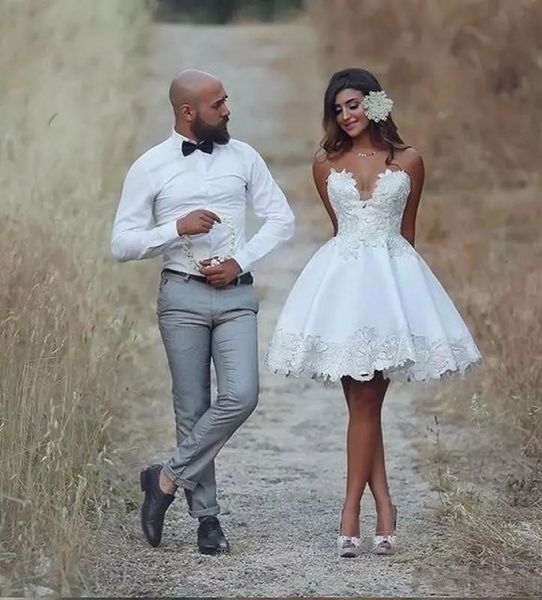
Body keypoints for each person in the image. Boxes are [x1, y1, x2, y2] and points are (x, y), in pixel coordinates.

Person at [266, 68, 481, 558]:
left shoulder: (409, 161)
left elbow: (408, 232)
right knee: (364, 406)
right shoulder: (324, 162)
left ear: (376, 104)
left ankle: (352, 513)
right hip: (342, 287)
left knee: (366, 404)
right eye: (338, 109)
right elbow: (339, 227)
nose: (346, 116)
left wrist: (406, 302)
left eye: (354, 105)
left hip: (392, 284)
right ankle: (383, 506)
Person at [111, 69, 295, 554]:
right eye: (218, 103)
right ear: (188, 112)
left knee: (242, 395)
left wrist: (241, 260)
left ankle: (165, 479)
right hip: (181, 297)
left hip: (236, 296)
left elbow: (282, 218)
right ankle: (207, 519)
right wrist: (175, 227)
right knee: (192, 408)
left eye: (227, 100)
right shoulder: (150, 166)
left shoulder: (244, 156)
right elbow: (122, 244)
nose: (228, 109)